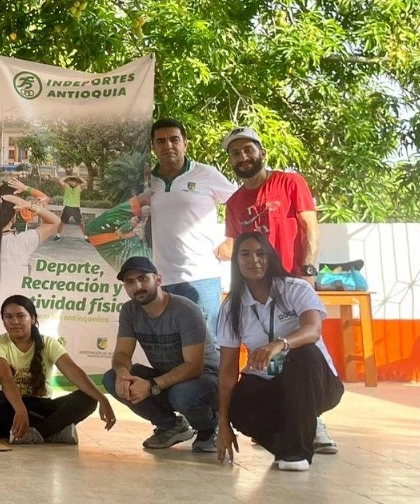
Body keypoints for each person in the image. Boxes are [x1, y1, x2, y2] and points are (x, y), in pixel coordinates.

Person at [215, 233, 343, 471]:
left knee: (304, 353)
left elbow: (313, 330)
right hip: (272, 386)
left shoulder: (295, 288)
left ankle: (296, 452)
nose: (254, 260)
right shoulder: (232, 307)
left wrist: (279, 344)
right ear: (236, 261)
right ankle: (290, 446)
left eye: (260, 253)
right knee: (239, 404)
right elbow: (227, 370)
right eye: (245, 254)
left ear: (271, 257)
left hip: (318, 383)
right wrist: (223, 423)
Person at [103, 256, 219, 452]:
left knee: (181, 394)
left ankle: (208, 427)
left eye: (143, 278)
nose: (137, 286)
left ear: (158, 280)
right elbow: (122, 353)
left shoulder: (185, 310)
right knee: (111, 378)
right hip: (167, 379)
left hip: (204, 379)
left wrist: (151, 385)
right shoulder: (129, 311)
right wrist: (123, 374)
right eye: (130, 282)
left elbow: (194, 366)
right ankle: (171, 426)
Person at [0, 295, 116, 444]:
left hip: (41, 407)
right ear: (3, 320)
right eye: (8, 317)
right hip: (10, 407)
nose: (15, 322)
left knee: (89, 397)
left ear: (32, 318)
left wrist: (103, 399)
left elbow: (74, 372)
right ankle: (53, 432)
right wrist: (20, 410)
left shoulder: (49, 343)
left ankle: (39, 432)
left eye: (21, 316)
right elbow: (5, 379)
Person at [147, 118, 235, 331]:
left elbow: (239, 202)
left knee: (206, 345)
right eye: (161, 141)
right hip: (160, 278)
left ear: (185, 143)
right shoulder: (147, 180)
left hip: (201, 276)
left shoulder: (206, 174)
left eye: (174, 139)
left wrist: (232, 240)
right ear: (153, 147)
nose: (168, 145)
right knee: (172, 344)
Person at [222, 127, 319, 277]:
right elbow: (238, 250)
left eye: (248, 150)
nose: (243, 157)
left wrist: (308, 271)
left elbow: (311, 228)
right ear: (230, 161)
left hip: (293, 280)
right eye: (235, 153)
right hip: (256, 286)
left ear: (263, 153)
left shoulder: (290, 182)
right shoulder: (233, 203)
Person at [0, 187, 61, 282]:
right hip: (20, 248)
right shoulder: (22, 210)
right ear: (14, 218)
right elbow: (54, 220)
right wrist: (26, 191)